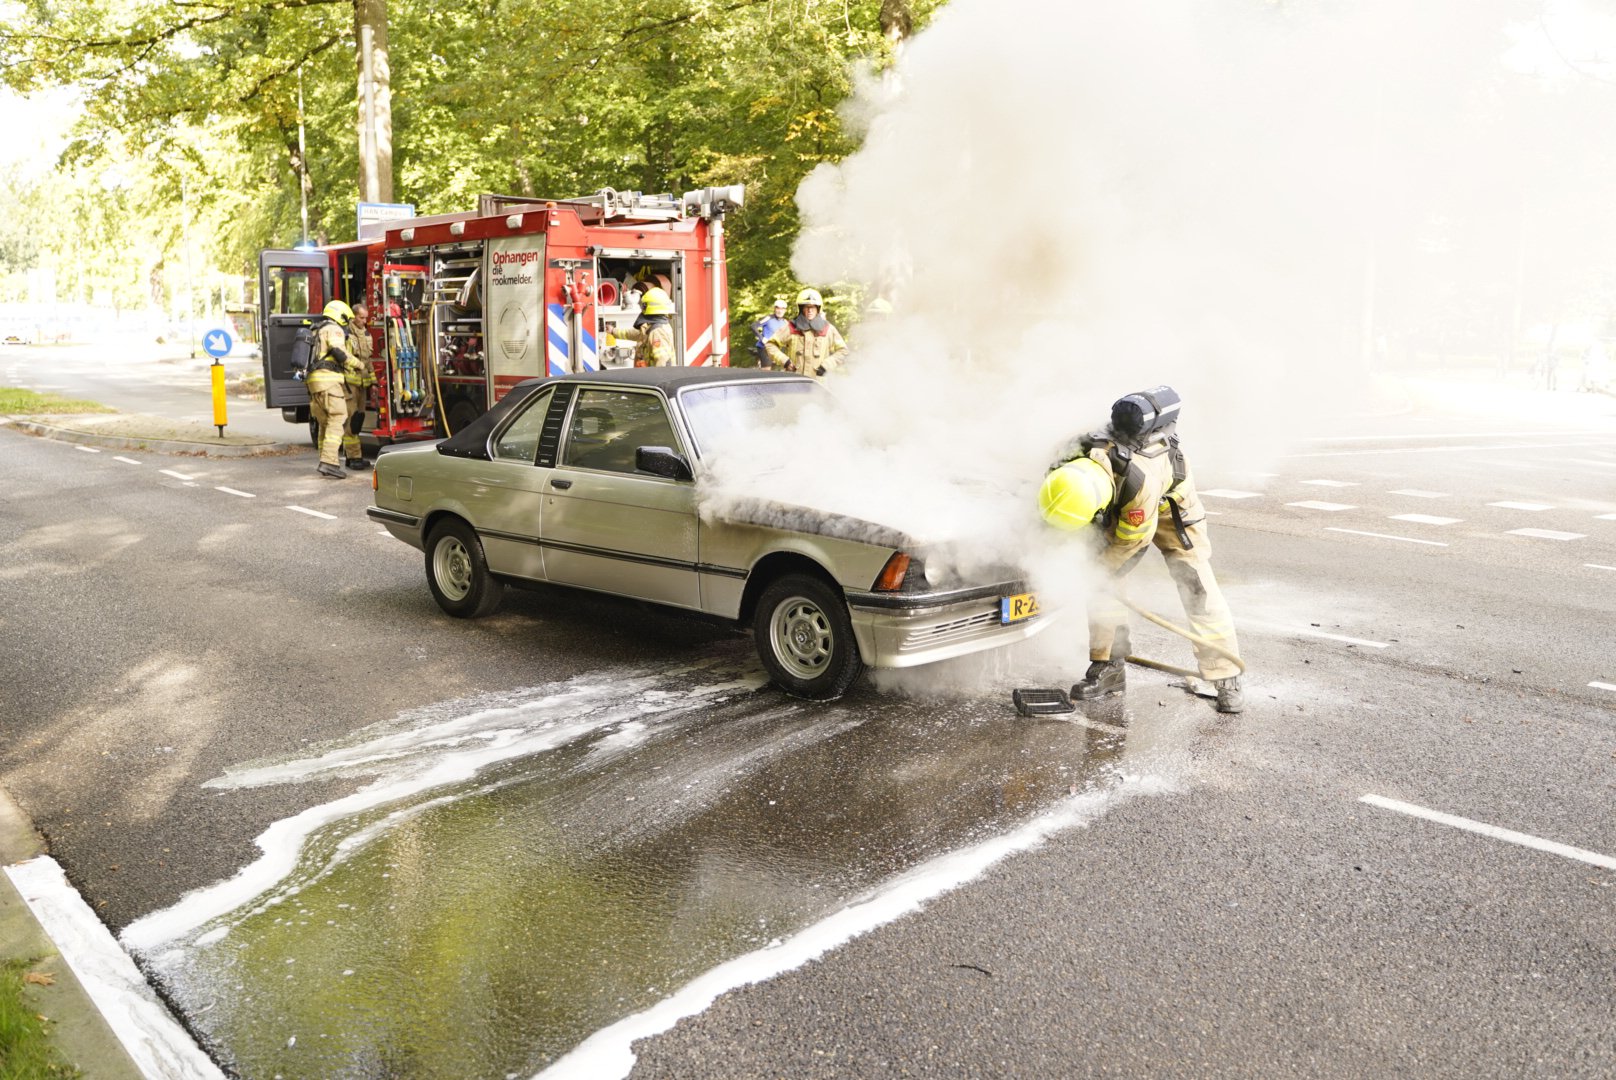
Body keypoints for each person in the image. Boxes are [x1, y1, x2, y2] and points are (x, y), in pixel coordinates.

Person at [1038, 388, 1244, 713]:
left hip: (1170, 506)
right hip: (1114, 503)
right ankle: (1109, 667)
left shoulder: (1139, 486)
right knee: (1103, 581)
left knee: (1194, 583)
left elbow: (1131, 544)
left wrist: (1096, 573)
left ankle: (1226, 675)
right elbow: (1050, 510)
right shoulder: (1065, 461)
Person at [307, 299, 357, 479]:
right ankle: (328, 463)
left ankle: (326, 460)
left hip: (314, 382)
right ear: (340, 315)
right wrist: (357, 364)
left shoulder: (315, 329)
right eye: (346, 318)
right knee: (338, 417)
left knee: (325, 423)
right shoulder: (333, 329)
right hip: (328, 381)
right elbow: (339, 353)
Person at [765, 288, 846, 379]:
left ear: (818, 308)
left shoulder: (828, 329)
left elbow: (843, 351)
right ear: (801, 308)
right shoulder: (791, 327)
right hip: (794, 382)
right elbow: (770, 345)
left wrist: (827, 365)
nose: (810, 310)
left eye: (813, 307)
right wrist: (785, 361)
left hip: (817, 386)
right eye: (806, 307)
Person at [340, 301, 378, 470]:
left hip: (362, 385)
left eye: (366, 318)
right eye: (361, 318)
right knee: (351, 421)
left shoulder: (366, 334)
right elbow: (344, 359)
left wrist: (374, 382)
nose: (364, 321)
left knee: (359, 420)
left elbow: (367, 361)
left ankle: (352, 456)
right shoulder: (346, 335)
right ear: (354, 316)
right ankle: (354, 457)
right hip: (349, 385)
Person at [612, 286, 677, 366]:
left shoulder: (657, 331)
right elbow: (637, 334)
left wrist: (658, 378)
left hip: (653, 377)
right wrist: (613, 331)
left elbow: (662, 360)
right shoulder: (654, 326)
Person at [753, 298, 788, 369]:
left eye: (782, 309)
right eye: (778, 308)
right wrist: (761, 338)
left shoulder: (786, 322)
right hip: (764, 347)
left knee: (784, 368)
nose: (780, 311)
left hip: (777, 349)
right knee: (767, 370)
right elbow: (753, 326)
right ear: (775, 309)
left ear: (785, 310)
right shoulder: (768, 318)